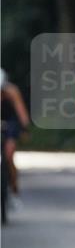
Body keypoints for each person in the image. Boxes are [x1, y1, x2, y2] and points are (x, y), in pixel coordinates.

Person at [1, 68, 32, 207]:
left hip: (10, 121)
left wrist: (24, 128)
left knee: (9, 153)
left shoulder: (12, 91)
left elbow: (21, 112)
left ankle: (14, 191)